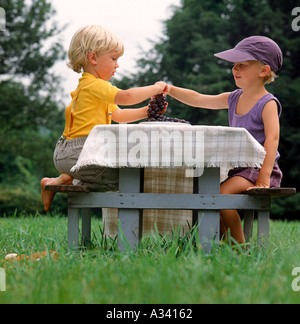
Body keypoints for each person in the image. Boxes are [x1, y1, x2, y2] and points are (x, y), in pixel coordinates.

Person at [166, 36, 283, 244]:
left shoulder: (268, 103)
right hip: (237, 168)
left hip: (259, 168)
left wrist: (263, 179)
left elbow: (272, 140)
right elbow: (198, 99)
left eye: (242, 65)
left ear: (263, 71)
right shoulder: (233, 98)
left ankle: (241, 250)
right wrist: (171, 90)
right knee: (209, 195)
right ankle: (224, 245)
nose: (234, 69)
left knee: (219, 196)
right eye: (234, 65)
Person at [41, 25, 168, 212]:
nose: (117, 64)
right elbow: (127, 97)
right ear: (93, 58)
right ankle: (72, 177)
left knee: (123, 175)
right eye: (114, 58)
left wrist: (147, 111)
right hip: (78, 151)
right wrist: (155, 88)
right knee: (125, 178)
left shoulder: (94, 88)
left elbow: (119, 115)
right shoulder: (94, 86)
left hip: (74, 151)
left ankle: (59, 180)